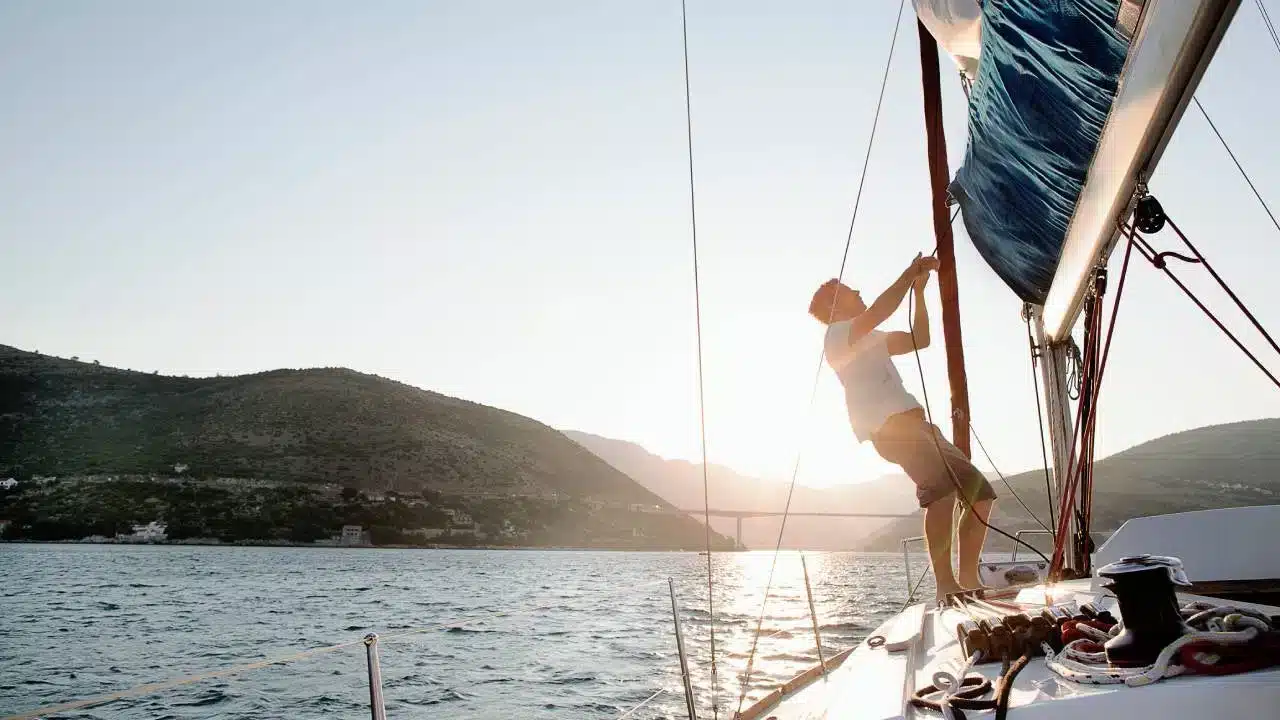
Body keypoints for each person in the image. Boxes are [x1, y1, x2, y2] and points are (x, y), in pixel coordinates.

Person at [810, 254, 997, 603]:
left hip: (918, 424)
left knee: (980, 494)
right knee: (940, 491)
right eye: (851, 290)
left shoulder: (871, 336)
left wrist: (920, 292)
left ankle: (969, 578)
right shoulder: (836, 336)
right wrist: (908, 272)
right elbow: (880, 309)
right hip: (889, 428)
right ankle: (946, 586)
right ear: (836, 303)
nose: (859, 290)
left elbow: (919, 338)